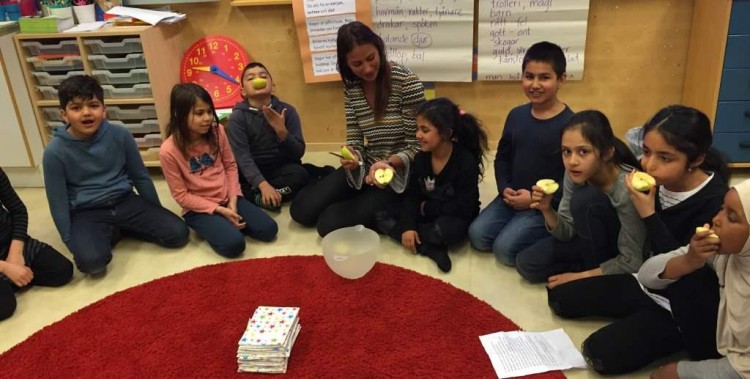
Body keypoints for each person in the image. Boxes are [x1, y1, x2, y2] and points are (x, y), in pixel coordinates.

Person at [547, 106, 729, 375]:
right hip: (643, 280)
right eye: (646, 151)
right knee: (560, 299)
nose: (649, 164)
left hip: (680, 302)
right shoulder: (654, 183)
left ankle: (673, 335)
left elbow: (683, 264)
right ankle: (637, 319)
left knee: (599, 354)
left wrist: (649, 214)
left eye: (665, 158)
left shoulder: (717, 203)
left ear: (696, 159)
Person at [43, 75, 189, 275]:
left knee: (178, 234)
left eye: (93, 105)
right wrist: (71, 242)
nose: (86, 113)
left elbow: (140, 177)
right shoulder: (54, 151)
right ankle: (111, 230)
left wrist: (156, 212)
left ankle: (117, 228)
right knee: (92, 264)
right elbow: (57, 202)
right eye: (76, 108)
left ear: (104, 110)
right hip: (87, 211)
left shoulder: (120, 135)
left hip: (125, 201)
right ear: (64, 115)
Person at [290, 21, 425, 237]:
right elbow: (354, 134)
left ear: (379, 49)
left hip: (396, 173)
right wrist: (351, 154)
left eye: (371, 58)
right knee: (301, 212)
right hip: (365, 165)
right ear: (346, 65)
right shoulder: (352, 86)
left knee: (327, 224)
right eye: (357, 64)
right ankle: (356, 195)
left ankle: (390, 206)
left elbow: (418, 145)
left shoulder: (406, 83)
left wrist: (389, 163)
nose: (367, 68)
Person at [467, 41, 574, 266]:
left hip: (542, 205)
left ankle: (546, 231)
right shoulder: (516, 115)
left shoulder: (571, 125)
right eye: (529, 76)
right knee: (477, 236)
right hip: (510, 196)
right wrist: (504, 188)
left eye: (544, 77)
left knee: (504, 251)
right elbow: (503, 157)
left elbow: (572, 177)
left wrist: (537, 200)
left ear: (561, 79)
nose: (534, 84)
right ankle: (515, 222)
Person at [515, 110, 646, 286]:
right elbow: (567, 232)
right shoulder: (574, 173)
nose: (572, 161)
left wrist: (580, 277)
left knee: (586, 198)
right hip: (589, 241)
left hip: (621, 253)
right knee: (526, 264)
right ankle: (588, 267)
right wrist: (547, 209)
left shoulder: (627, 188)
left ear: (607, 153)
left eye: (583, 151)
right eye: (566, 152)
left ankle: (593, 272)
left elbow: (633, 260)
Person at [641, 179, 750, 379]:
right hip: (724, 346)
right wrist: (689, 259)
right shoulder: (727, 253)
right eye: (722, 209)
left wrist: (680, 371)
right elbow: (646, 275)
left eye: (732, 217)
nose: (717, 219)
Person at [160, 83, 278, 258]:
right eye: (199, 113)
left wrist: (232, 200)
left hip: (228, 197)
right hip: (199, 209)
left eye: (209, 111)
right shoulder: (168, 150)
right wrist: (219, 210)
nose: (207, 118)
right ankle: (219, 225)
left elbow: (230, 166)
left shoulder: (218, 131)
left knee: (269, 230)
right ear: (179, 114)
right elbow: (181, 196)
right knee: (234, 245)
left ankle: (226, 223)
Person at [375, 98, 488, 273]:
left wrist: (426, 208)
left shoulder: (465, 161)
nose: (418, 135)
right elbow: (412, 197)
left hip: (453, 216)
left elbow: (465, 207)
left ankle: (427, 239)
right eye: (417, 129)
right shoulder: (421, 158)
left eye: (425, 130)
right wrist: (409, 226)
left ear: (445, 133)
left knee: (444, 231)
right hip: (428, 213)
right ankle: (428, 247)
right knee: (382, 215)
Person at [227, 62, 329, 212]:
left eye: (263, 76)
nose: (257, 80)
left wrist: (283, 133)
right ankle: (258, 195)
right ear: (243, 91)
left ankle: (270, 195)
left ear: (273, 87)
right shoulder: (237, 117)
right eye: (250, 78)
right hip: (253, 171)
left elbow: (298, 152)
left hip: (280, 167)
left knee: (300, 175)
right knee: (235, 183)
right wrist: (262, 184)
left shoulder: (287, 111)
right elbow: (243, 158)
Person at [0, 167, 73, 320]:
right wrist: (6, 267)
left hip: (9, 242)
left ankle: (13, 279)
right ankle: (11, 279)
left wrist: (16, 253)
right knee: (5, 306)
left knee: (61, 271)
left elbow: (18, 210)